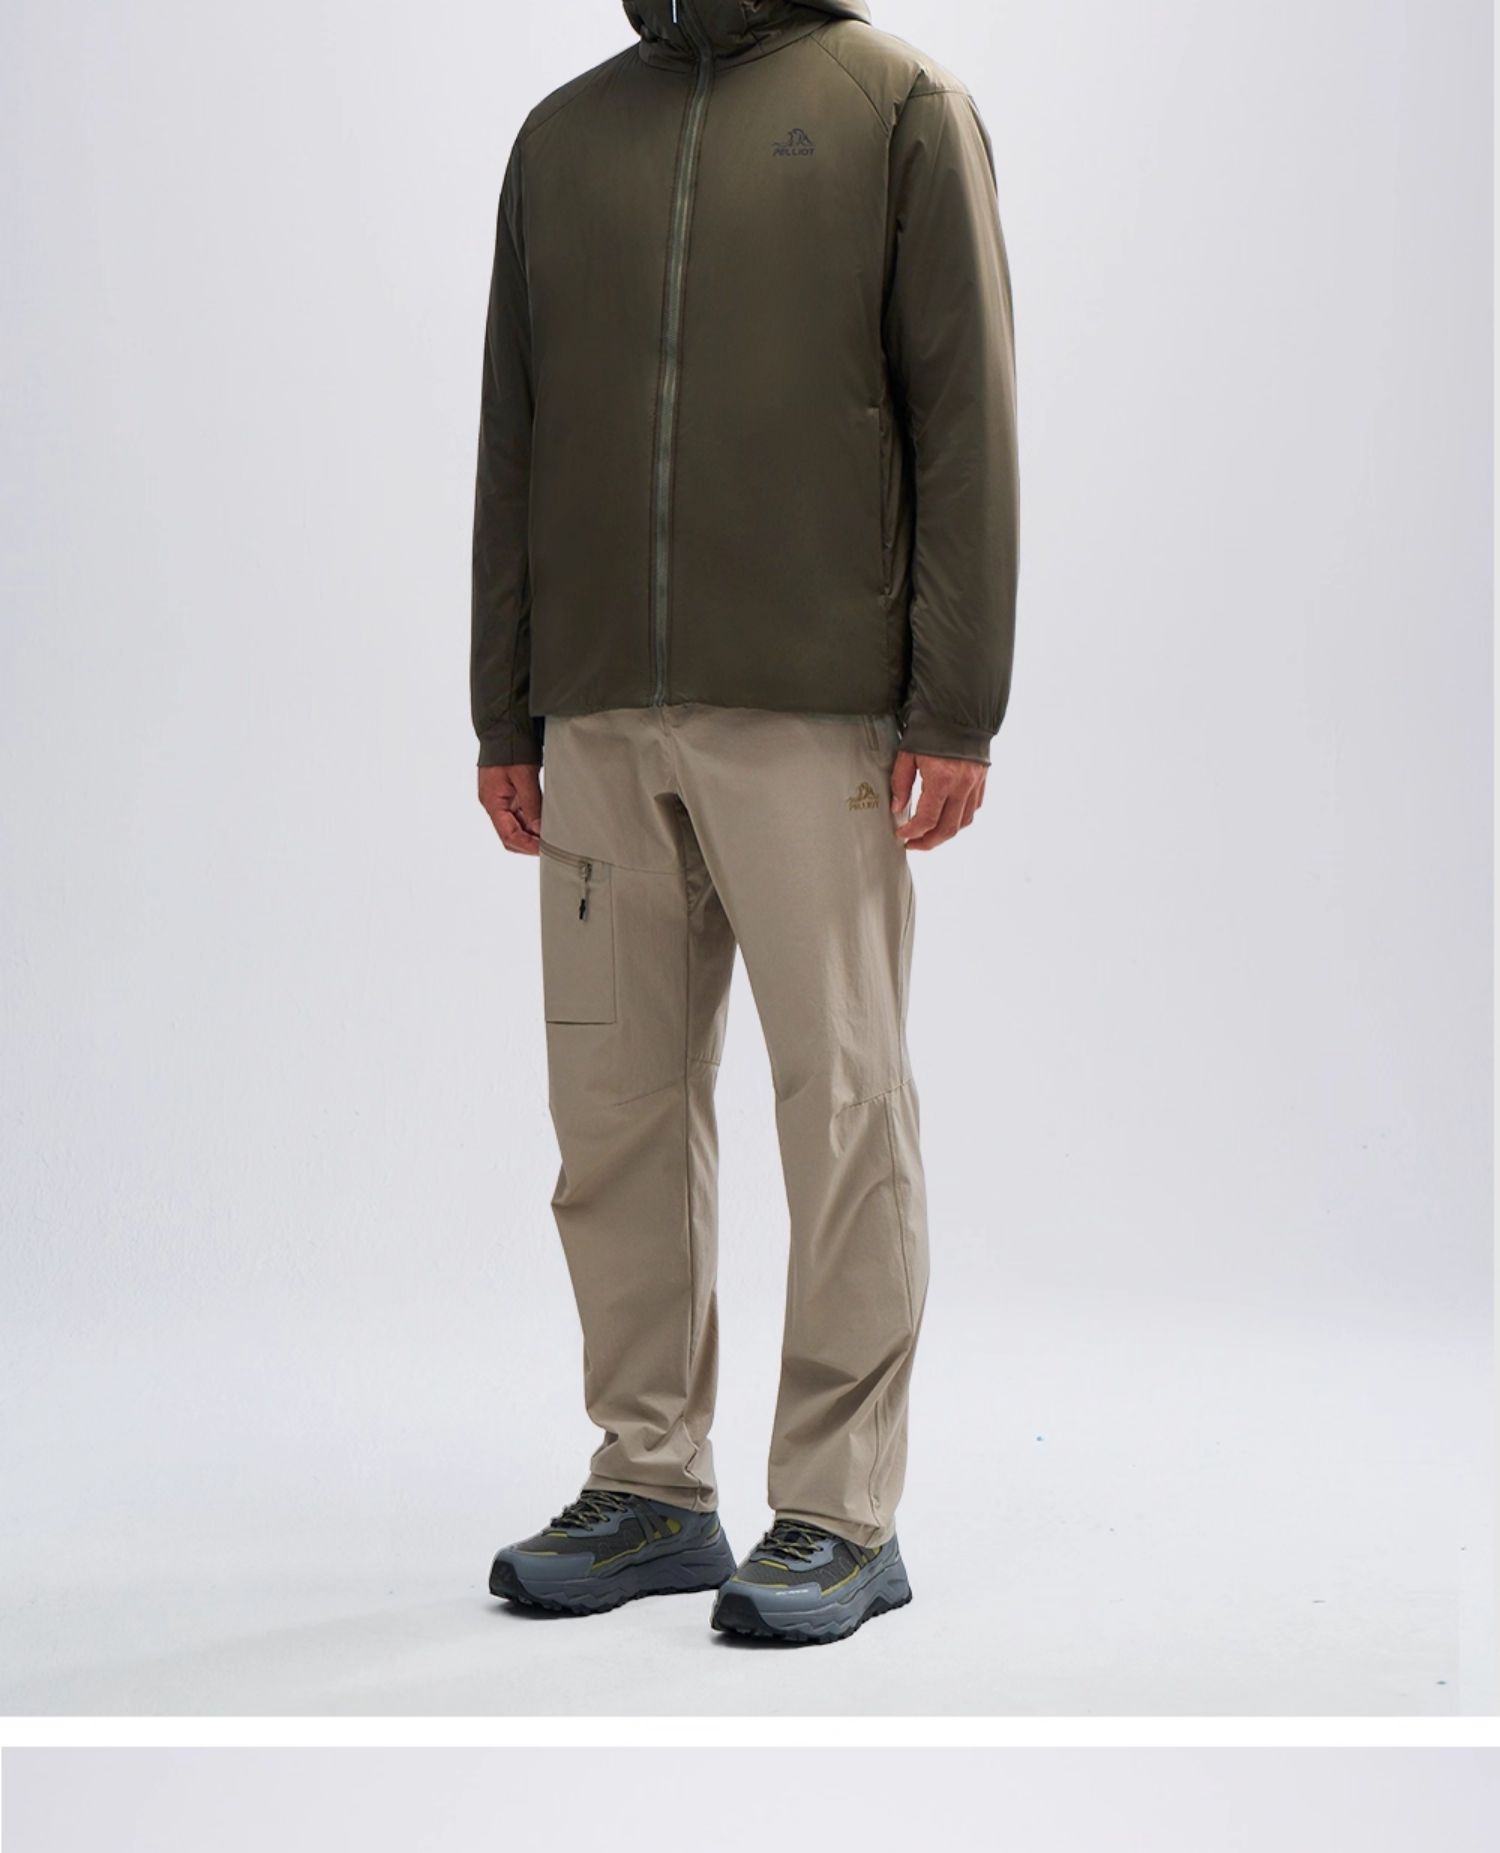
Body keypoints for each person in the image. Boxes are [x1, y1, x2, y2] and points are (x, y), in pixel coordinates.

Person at [474, 0, 1017, 1646]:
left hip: (815, 700)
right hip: (596, 707)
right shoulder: (564, 137)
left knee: (840, 1100)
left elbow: (967, 414)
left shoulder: (899, 107)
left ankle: (842, 1507)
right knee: (614, 1111)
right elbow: (515, 432)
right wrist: (508, 708)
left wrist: (957, 704)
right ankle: (649, 1482)